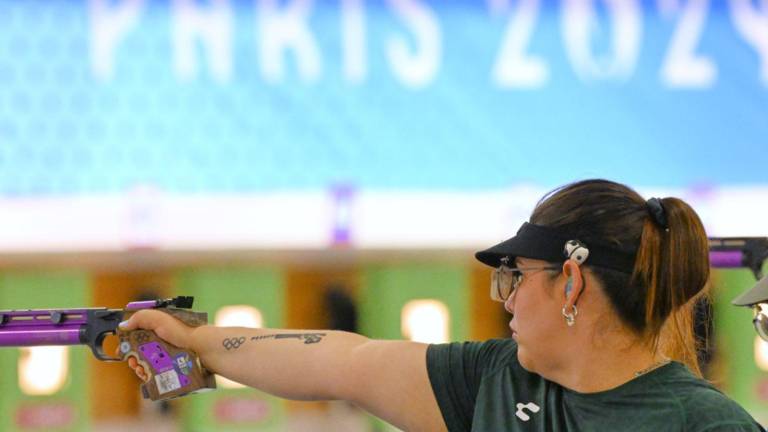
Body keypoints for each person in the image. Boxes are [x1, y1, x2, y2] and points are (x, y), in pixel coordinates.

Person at [120, 179, 764, 431]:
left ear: (571, 283)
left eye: (516, 275)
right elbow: (340, 362)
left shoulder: (707, 426)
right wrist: (196, 342)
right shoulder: (493, 378)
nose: (505, 300)